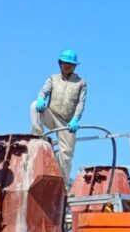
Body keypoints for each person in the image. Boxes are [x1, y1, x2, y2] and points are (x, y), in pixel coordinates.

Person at [30, 49, 87, 185]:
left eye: (71, 64)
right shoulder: (53, 78)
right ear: (60, 63)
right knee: (34, 106)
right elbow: (43, 91)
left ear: (74, 66)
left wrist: (76, 119)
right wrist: (40, 99)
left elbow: (81, 103)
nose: (68, 66)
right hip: (51, 115)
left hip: (67, 123)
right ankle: (38, 137)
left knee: (66, 155)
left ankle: (62, 185)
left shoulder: (81, 82)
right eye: (65, 63)